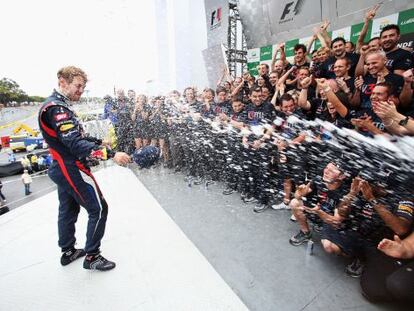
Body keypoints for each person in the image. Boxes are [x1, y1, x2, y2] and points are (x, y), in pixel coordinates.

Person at [38, 66, 131, 271]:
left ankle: (68, 251)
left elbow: (73, 137)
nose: (81, 90)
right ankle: (92, 256)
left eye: (83, 87)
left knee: (68, 208)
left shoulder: (57, 104)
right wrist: (111, 154)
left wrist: (99, 141)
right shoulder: (57, 109)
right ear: (63, 81)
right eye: (78, 86)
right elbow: (75, 144)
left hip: (59, 166)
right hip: (70, 167)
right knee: (98, 209)